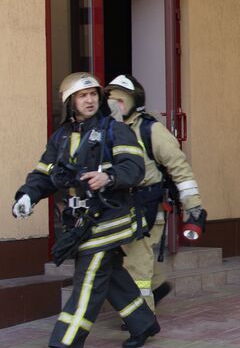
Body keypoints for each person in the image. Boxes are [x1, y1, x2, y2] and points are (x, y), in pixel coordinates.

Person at [11, 72, 159, 348]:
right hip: (80, 223)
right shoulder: (61, 137)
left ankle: (64, 342)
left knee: (88, 282)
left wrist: (109, 176)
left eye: (93, 94)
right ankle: (144, 322)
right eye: (82, 95)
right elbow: (43, 173)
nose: (89, 100)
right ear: (70, 102)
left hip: (108, 219)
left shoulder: (115, 129)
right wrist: (27, 197)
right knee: (110, 272)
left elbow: (134, 167)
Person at [104, 75, 206, 315]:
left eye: (120, 101)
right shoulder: (110, 132)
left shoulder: (151, 130)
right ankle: (158, 286)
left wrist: (194, 207)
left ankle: (141, 319)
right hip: (119, 207)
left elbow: (179, 168)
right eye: (110, 100)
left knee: (135, 265)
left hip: (146, 207)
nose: (113, 106)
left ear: (134, 102)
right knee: (129, 258)